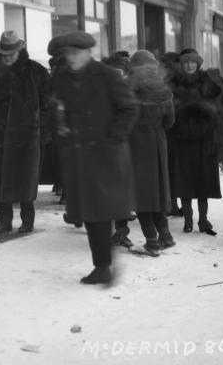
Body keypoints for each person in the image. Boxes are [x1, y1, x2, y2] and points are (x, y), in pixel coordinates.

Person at [48, 32, 139, 285]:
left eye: (76, 53)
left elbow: (129, 108)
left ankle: (103, 265)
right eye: (68, 54)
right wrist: (61, 132)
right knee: (90, 212)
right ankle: (101, 266)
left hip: (105, 154)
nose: (71, 58)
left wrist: (112, 139)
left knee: (101, 210)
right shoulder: (62, 78)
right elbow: (55, 109)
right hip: (77, 155)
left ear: (89, 53)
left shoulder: (107, 76)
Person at [0, 31, 51, 234]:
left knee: (26, 181)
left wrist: (43, 130)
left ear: (19, 50)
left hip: (26, 135)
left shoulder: (35, 71)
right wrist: (8, 81)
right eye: (4, 54)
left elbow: (47, 102)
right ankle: (5, 221)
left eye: (11, 54)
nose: (7, 58)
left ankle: (27, 221)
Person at [126, 50, 176, 256]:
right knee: (157, 192)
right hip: (158, 145)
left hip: (135, 145)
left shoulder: (128, 88)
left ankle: (152, 242)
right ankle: (166, 236)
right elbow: (170, 121)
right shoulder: (162, 89)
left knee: (141, 195)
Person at [167, 48, 221, 236]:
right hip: (181, 140)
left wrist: (205, 128)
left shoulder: (207, 83)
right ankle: (188, 221)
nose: (190, 65)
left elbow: (216, 112)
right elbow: (169, 111)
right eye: (186, 62)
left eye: (193, 62)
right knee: (185, 181)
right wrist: (177, 128)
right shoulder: (173, 84)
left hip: (203, 140)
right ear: (182, 65)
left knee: (202, 181)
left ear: (198, 64)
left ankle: (203, 220)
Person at [102, 50, 136, 248]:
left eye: (120, 72)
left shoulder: (130, 90)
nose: (117, 75)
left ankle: (122, 231)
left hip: (124, 146)